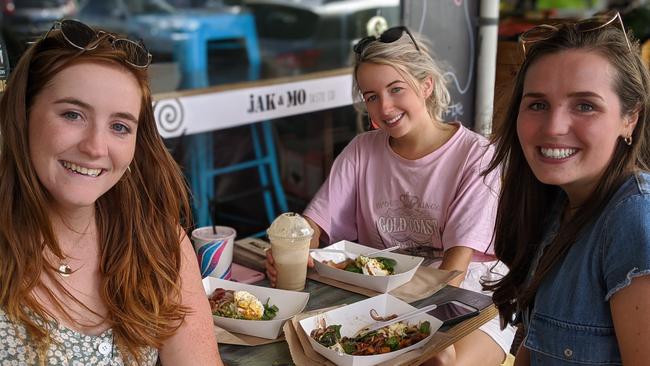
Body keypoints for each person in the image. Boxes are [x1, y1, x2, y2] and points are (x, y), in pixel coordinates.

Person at [266, 26, 515, 366]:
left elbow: (454, 269)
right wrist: (291, 253)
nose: (384, 107)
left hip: (470, 292)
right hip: (381, 295)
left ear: (426, 84)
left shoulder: (475, 156)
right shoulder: (360, 150)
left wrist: (413, 330)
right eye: (371, 96)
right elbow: (312, 227)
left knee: (439, 362)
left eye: (396, 89)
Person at [0, 19, 223, 365]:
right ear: (23, 116)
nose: (95, 147)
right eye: (73, 115)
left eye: (119, 126)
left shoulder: (158, 244)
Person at [483, 12, 650, 365]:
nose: (554, 127)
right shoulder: (558, 203)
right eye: (538, 104)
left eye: (585, 105)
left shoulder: (636, 218)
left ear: (629, 117)